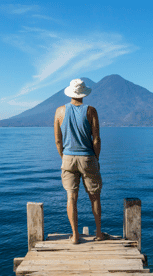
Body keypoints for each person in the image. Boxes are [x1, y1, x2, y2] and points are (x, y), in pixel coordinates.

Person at [54, 78, 105, 244]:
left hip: (68, 158)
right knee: (94, 196)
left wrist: (64, 157)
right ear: (84, 93)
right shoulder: (91, 111)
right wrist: (95, 158)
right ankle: (98, 233)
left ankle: (75, 236)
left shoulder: (59, 111)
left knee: (71, 197)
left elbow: (58, 141)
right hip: (88, 158)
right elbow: (96, 139)